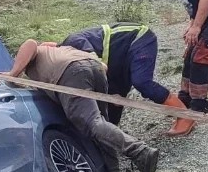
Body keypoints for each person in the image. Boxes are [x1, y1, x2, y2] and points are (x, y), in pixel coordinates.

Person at [5, 41, 161, 172]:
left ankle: (141, 152)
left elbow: (30, 43)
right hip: (95, 67)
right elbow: (103, 66)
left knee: (91, 123)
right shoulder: (62, 51)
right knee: (101, 123)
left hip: (70, 73)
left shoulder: (38, 51)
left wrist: (12, 74)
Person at [60, 24, 191, 135]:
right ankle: (111, 136)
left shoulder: (72, 42)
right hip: (118, 60)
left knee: (142, 82)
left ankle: (185, 115)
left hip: (139, 39)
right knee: (113, 100)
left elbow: (99, 67)